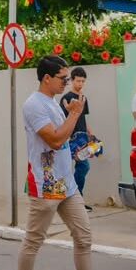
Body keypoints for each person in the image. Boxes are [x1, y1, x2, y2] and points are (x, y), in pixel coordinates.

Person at [14, 55, 92, 270]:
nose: (66, 83)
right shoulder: (34, 105)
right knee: (34, 240)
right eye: (63, 78)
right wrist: (75, 114)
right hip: (47, 183)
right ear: (46, 78)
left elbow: (64, 139)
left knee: (84, 237)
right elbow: (55, 140)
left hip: (66, 182)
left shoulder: (53, 102)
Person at [60, 68, 95, 211]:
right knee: (65, 169)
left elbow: (83, 118)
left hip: (82, 139)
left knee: (83, 166)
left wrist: (90, 133)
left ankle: (76, 198)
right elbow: (61, 119)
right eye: (78, 80)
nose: (80, 84)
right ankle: (71, 199)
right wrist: (65, 136)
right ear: (72, 80)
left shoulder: (83, 98)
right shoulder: (66, 98)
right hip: (69, 139)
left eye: (83, 81)